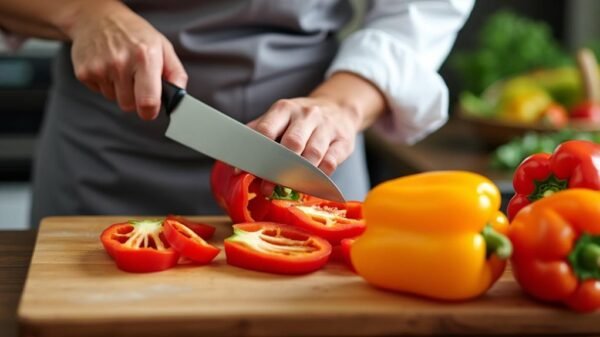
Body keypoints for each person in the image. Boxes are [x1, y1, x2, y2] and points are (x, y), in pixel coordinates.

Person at [0, 0, 474, 227]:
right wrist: (81, 13)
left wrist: (342, 104)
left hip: (309, 153)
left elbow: (422, 10)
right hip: (104, 154)